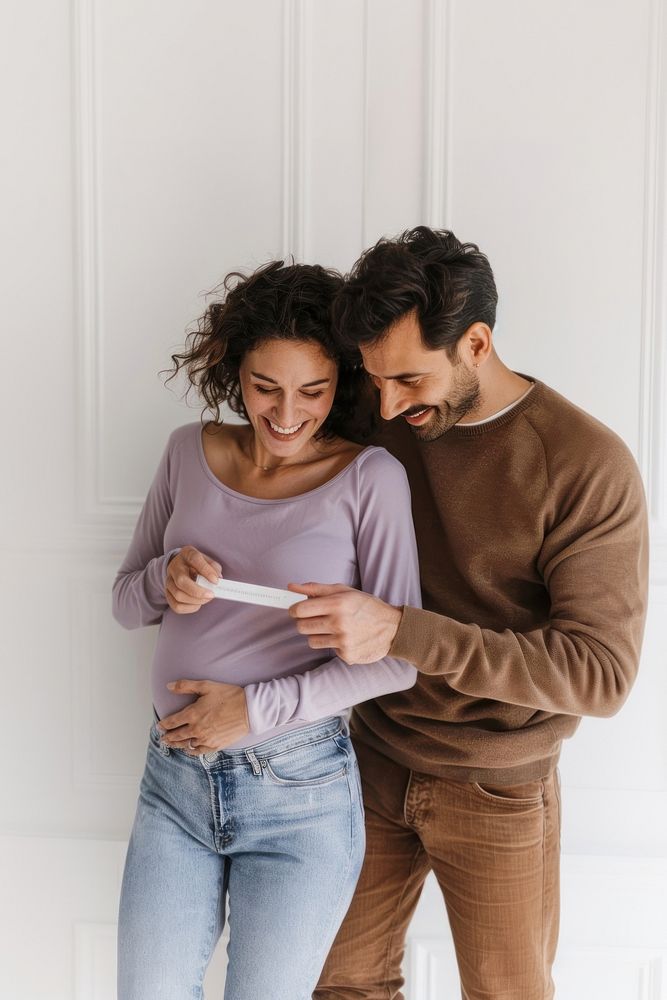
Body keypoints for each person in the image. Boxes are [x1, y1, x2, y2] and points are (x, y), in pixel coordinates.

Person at [288, 228, 650, 1000]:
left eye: (409, 380)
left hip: (499, 786)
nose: (384, 406)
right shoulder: (380, 405)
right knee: (336, 985)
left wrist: (400, 631)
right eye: (373, 379)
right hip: (369, 759)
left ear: (476, 343)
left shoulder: (586, 465)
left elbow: (600, 674)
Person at [111, 259, 421, 1000]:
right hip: (173, 784)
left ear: (340, 384)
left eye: (312, 391)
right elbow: (126, 602)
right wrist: (167, 578)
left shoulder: (369, 478)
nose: (286, 413)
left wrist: (253, 709)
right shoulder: (188, 451)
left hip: (299, 795)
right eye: (264, 388)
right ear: (233, 373)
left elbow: (394, 661)